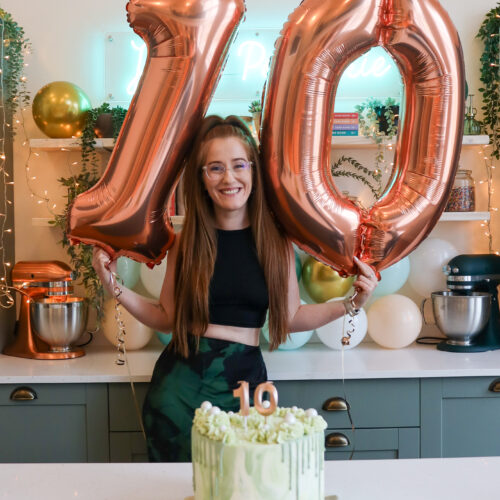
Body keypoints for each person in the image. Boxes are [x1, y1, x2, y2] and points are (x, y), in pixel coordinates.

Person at [92, 115, 378, 462]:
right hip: (179, 391)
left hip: (246, 384)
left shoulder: (276, 244)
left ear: (254, 172)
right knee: (178, 486)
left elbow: (292, 316)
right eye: (215, 168)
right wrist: (112, 286)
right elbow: (165, 317)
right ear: (202, 179)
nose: (229, 178)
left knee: (245, 480)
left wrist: (351, 303)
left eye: (239, 165)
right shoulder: (185, 243)